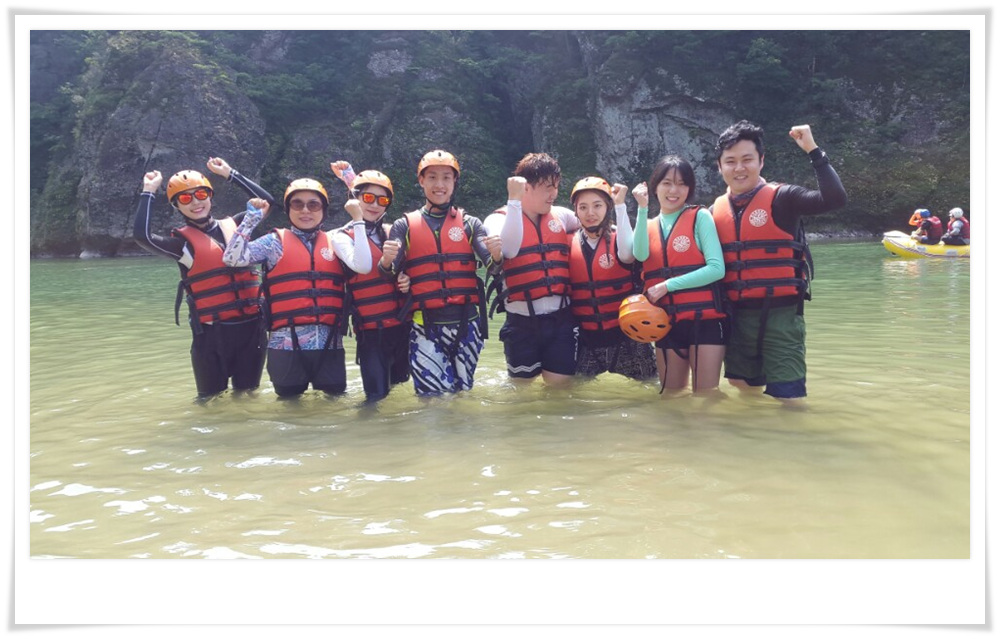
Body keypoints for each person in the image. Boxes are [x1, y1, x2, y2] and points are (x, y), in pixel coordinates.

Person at [710, 120, 847, 401]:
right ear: (720, 167)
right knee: (742, 387)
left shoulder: (784, 198)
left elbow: (834, 199)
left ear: (761, 161)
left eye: (747, 159)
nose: (739, 168)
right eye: (730, 161)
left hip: (782, 316)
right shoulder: (713, 212)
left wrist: (813, 150)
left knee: (789, 397)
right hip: (737, 319)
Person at [133, 157, 274, 400]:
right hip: (211, 336)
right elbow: (142, 237)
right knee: (209, 402)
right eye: (185, 198)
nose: (196, 202)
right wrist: (148, 191)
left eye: (200, 194)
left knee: (248, 397)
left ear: (210, 196)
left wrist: (230, 173)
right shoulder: (181, 245)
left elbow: (267, 202)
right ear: (176, 206)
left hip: (252, 330)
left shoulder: (238, 225)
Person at [222, 178, 371, 399]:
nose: (305, 210)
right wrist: (250, 220)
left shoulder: (336, 241)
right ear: (288, 209)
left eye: (313, 204)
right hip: (285, 347)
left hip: (330, 345)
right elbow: (232, 258)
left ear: (323, 210)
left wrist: (350, 178)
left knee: (335, 406)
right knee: (289, 409)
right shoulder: (273, 243)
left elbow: (364, 219)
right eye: (297, 204)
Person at [378, 149, 497, 397]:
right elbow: (389, 272)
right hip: (425, 325)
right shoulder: (404, 226)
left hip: (467, 323)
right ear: (421, 181)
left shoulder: (470, 224)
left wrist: (497, 255)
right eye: (432, 177)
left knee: (463, 394)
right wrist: (387, 261)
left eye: (446, 178)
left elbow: (493, 266)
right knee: (432, 399)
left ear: (454, 182)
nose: (439, 185)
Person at [483, 152, 581, 386]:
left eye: (556, 187)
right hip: (521, 324)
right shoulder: (496, 220)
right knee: (521, 392)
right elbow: (510, 249)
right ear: (526, 187)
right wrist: (514, 200)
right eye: (548, 187)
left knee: (560, 389)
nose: (553, 194)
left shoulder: (562, 216)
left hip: (561, 321)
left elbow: (595, 226)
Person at [631, 155, 727, 393]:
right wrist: (642, 208)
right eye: (667, 183)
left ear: (689, 189)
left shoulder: (700, 217)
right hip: (666, 322)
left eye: (682, 184)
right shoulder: (648, 224)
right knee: (670, 396)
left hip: (704, 322)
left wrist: (667, 285)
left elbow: (717, 268)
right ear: (655, 187)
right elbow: (640, 254)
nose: (674, 190)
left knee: (705, 396)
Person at [330, 161, 412, 402]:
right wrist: (357, 218)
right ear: (355, 199)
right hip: (372, 333)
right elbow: (364, 265)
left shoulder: (391, 231)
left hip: (402, 328)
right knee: (375, 398)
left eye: (382, 200)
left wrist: (406, 279)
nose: (375, 205)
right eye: (368, 198)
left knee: (400, 392)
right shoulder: (341, 237)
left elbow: (407, 268)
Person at [566, 176, 657, 381]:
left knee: (651, 385)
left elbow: (627, 255)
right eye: (583, 207)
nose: (590, 213)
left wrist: (620, 204)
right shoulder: (568, 243)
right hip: (588, 340)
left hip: (629, 338)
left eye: (597, 205)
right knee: (575, 393)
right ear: (576, 211)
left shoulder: (620, 238)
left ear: (608, 207)